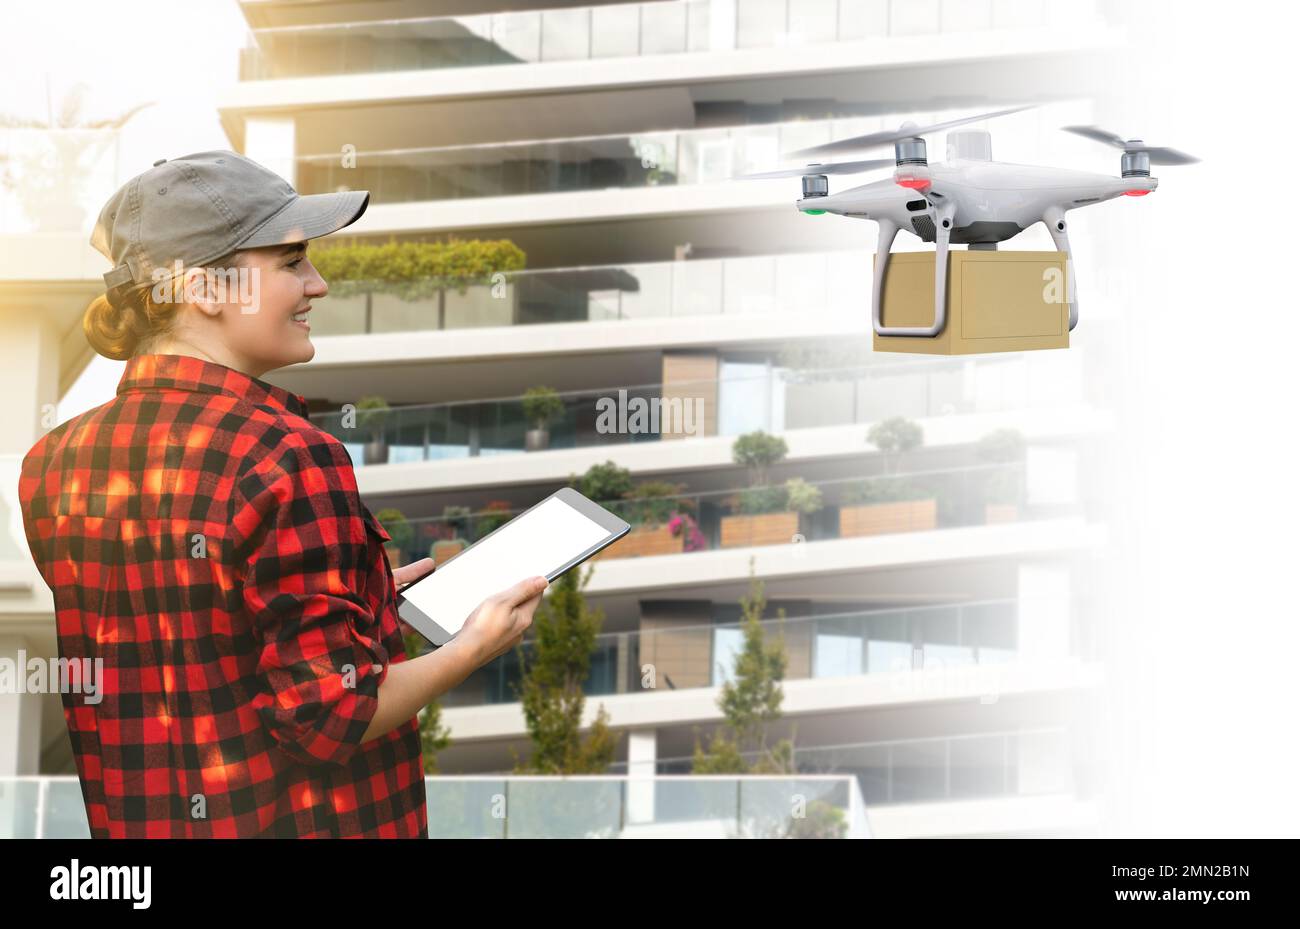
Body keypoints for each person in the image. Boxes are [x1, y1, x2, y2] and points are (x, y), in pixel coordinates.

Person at [18, 150, 547, 838]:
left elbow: (188, 633)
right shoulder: (288, 453)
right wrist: (471, 647)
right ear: (206, 290)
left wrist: (355, 594)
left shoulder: (54, 462)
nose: (317, 284)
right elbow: (329, 716)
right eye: (292, 261)